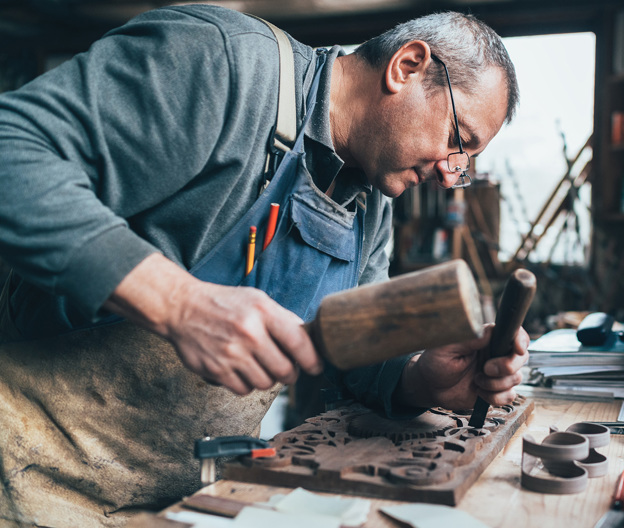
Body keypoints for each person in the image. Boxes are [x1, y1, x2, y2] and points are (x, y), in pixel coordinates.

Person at [0, 5, 526, 526]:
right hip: (25, 475)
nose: (448, 172)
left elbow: (348, 350)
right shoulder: (223, 62)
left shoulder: (371, 203)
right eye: (459, 141)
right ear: (406, 66)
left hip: (183, 499)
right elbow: (12, 153)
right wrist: (177, 303)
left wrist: (418, 381)